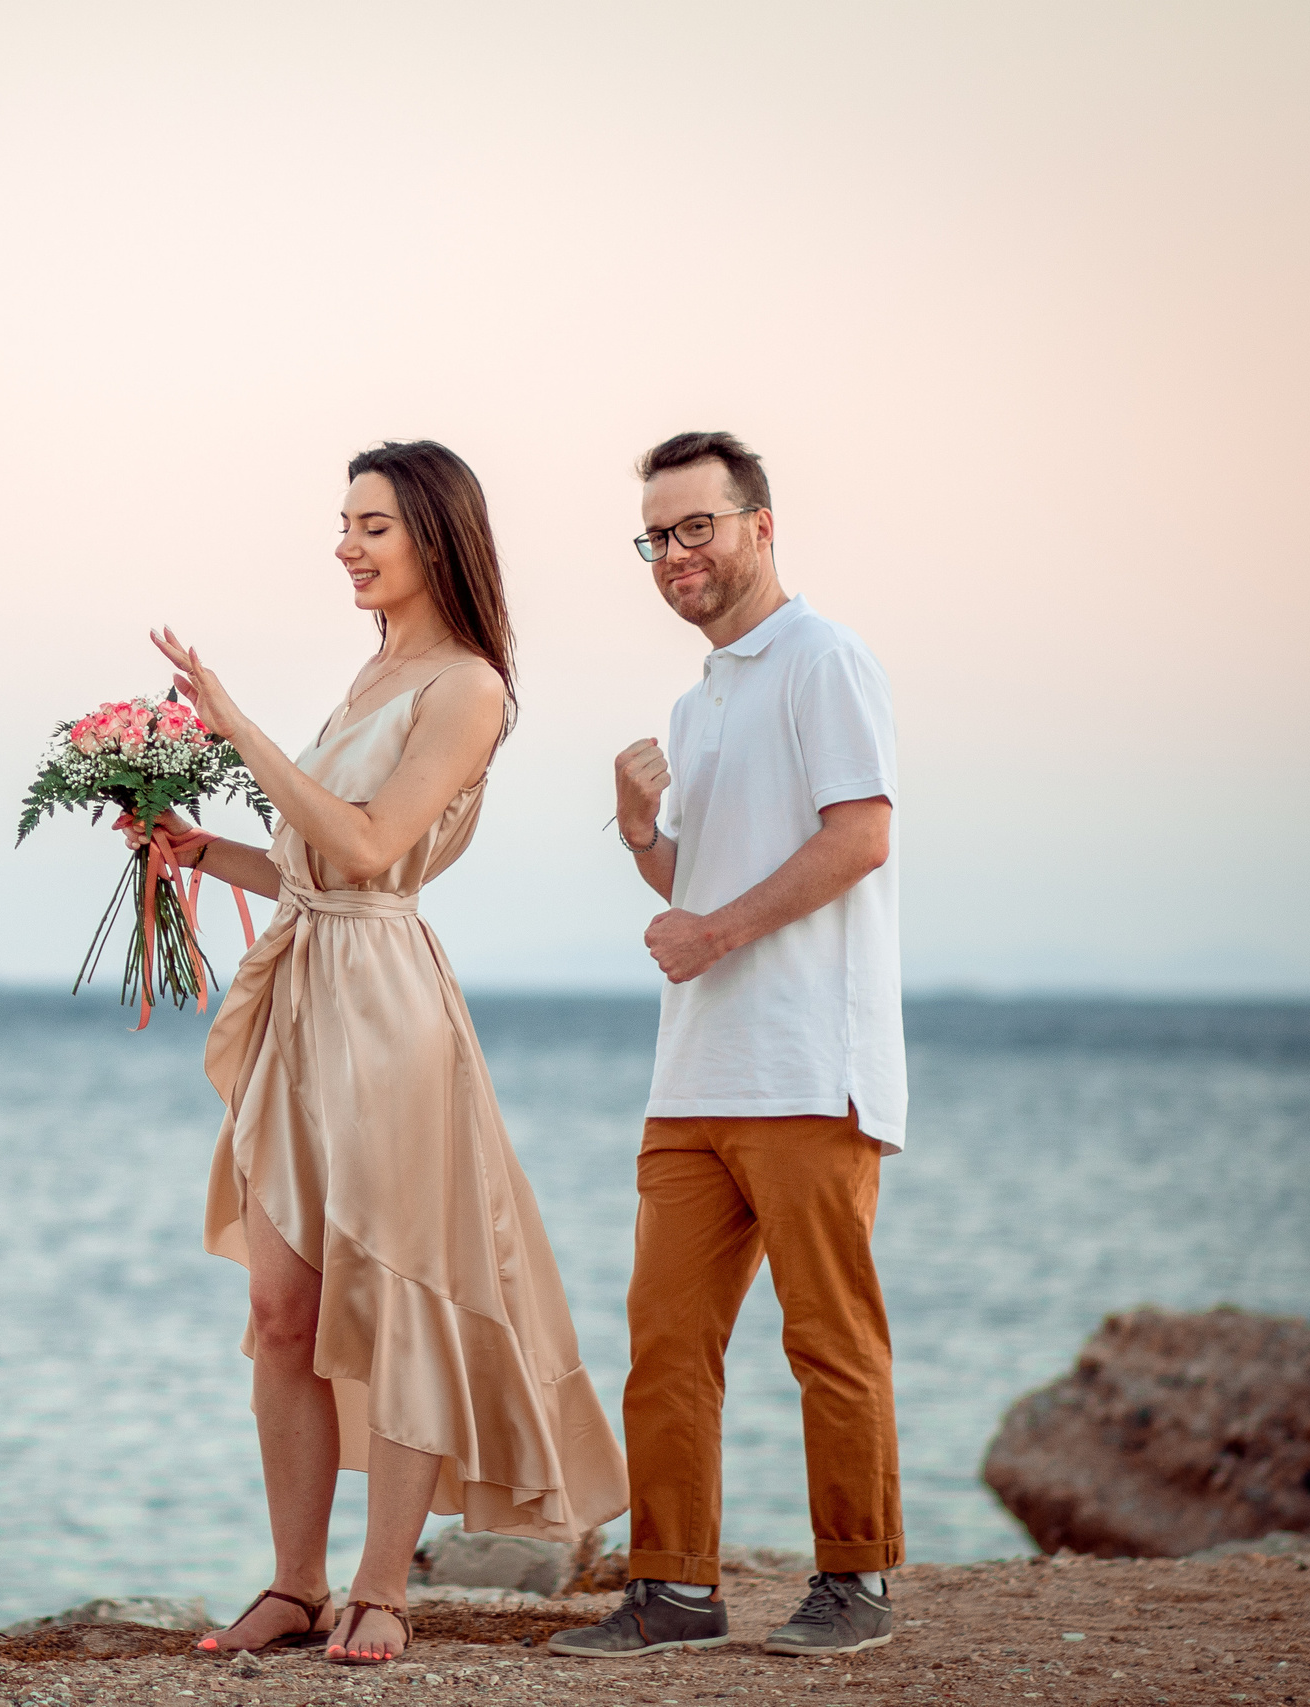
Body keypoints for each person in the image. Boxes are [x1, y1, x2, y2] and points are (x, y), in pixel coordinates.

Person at [133, 441, 627, 1667]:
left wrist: (232, 721)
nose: (347, 546)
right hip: (305, 989)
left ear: (434, 539)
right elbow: (312, 861)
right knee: (280, 1303)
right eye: (343, 523)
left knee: (397, 1291)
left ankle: (381, 1589)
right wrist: (203, 852)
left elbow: (369, 849)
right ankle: (293, 1585)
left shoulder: (467, 686)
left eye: (372, 527)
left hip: (386, 1014)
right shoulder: (371, 674)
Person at [548, 431, 906, 1662]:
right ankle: (673, 1592)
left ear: (760, 525)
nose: (674, 555)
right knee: (665, 1341)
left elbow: (860, 836)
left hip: (810, 1064)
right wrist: (641, 830)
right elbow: (686, 880)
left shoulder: (823, 660)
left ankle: (852, 1585)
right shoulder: (694, 702)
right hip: (692, 1075)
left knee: (829, 1336)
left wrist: (714, 931)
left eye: (695, 526)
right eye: (656, 535)